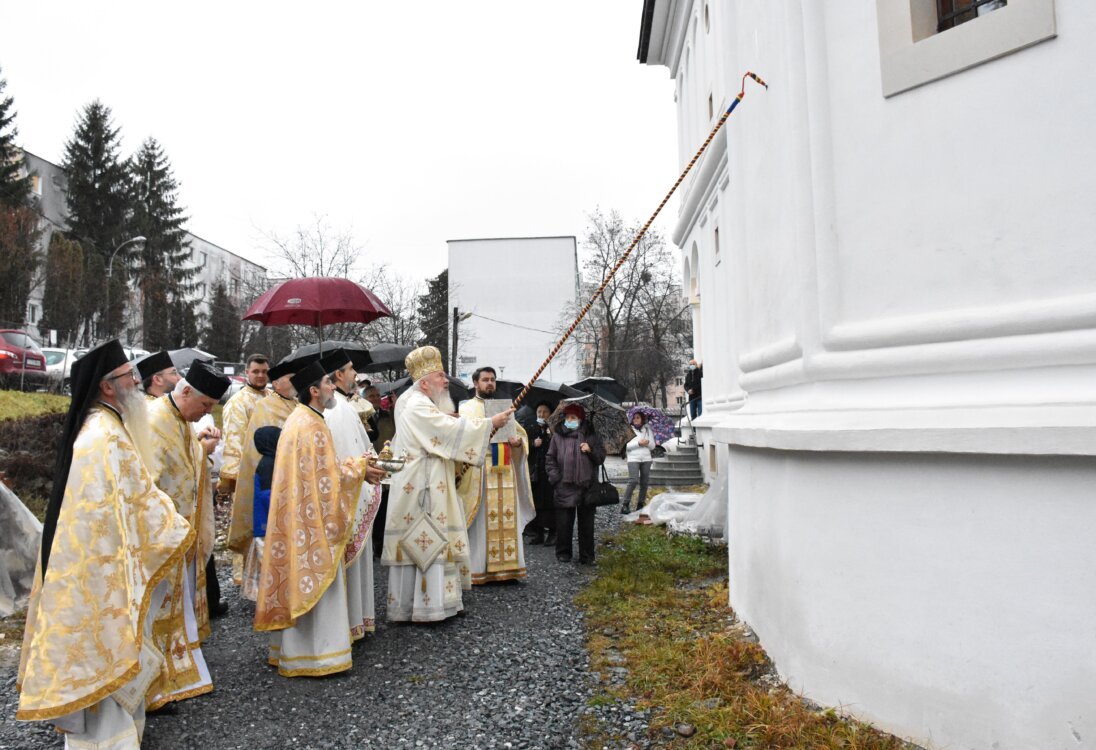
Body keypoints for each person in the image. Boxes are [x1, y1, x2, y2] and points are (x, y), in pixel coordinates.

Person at [16, 340, 192, 747]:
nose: (137, 380)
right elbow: (121, 507)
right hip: (99, 574)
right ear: (107, 387)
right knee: (105, 653)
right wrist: (172, 524)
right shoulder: (103, 437)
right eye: (130, 375)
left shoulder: (111, 427)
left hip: (108, 565)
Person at [254, 360, 385, 677]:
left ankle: (297, 652)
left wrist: (355, 465)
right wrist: (359, 469)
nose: (332, 389)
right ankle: (320, 655)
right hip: (311, 521)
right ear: (314, 390)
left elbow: (322, 471)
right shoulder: (310, 425)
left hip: (301, 517)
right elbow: (327, 477)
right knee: (321, 583)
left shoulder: (302, 419)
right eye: (328, 383)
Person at [382, 346, 513, 622]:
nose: (446, 381)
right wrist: (491, 423)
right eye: (441, 376)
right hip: (423, 486)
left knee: (426, 539)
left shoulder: (413, 400)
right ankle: (427, 607)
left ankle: (424, 602)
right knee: (427, 538)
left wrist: (448, 419)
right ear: (425, 381)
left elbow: (437, 426)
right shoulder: (417, 403)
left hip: (423, 479)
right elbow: (443, 432)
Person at [144, 360, 230, 710]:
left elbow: (187, 459)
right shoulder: (153, 423)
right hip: (160, 540)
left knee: (177, 609)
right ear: (186, 392)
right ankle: (155, 685)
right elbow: (146, 485)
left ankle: (176, 674)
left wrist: (202, 451)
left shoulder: (180, 420)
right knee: (157, 611)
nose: (207, 414)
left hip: (182, 537)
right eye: (206, 406)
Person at [320, 349, 384, 640]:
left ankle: (352, 622)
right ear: (337, 375)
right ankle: (348, 623)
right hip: (346, 495)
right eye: (349, 369)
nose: (355, 375)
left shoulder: (341, 406)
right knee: (348, 565)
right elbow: (345, 456)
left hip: (349, 489)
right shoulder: (338, 410)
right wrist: (366, 470)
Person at [457, 366, 535, 585]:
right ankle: (478, 569)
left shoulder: (504, 408)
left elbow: (520, 435)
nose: (490, 383)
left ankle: (508, 569)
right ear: (475, 383)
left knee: (505, 518)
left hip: (504, 473)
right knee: (481, 523)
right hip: (480, 474)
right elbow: (461, 438)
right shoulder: (467, 409)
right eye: (485, 380)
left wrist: (518, 443)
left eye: (493, 380)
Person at [227, 358, 298, 559]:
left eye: (263, 371)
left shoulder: (295, 403)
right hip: (269, 477)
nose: (295, 381)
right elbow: (252, 446)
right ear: (276, 383)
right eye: (290, 378)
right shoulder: (265, 407)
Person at [218, 353, 269, 586]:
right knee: (248, 525)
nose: (260, 376)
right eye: (256, 371)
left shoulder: (271, 398)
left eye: (264, 371)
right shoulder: (238, 403)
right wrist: (237, 477)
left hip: (270, 473)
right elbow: (234, 442)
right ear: (247, 372)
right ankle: (247, 577)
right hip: (249, 475)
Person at [546, 403, 606, 565]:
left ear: (581, 419)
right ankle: (564, 552)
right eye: (567, 417)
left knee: (586, 524)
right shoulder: (557, 436)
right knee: (564, 522)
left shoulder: (592, 436)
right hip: (564, 485)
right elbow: (550, 458)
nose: (569, 420)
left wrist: (590, 450)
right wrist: (556, 478)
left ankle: (586, 555)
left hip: (587, 486)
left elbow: (600, 458)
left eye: (573, 417)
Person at [241, 426, 281, 601]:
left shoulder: (268, 461)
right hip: (266, 523)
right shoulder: (268, 464)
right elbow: (267, 495)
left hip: (264, 521)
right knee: (268, 559)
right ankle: (268, 596)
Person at [363, 384, 396, 557]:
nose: (375, 399)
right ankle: (371, 543)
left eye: (377, 396)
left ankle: (381, 544)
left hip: (386, 464)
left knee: (384, 508)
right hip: (369, 466)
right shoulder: (362, 417)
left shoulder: (388, 416)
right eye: (371, 396)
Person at [523, 401, 556, 545]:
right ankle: (538, 533)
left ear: (550, 414)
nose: (541, 414)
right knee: (536, 503)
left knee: (550, 503)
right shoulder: (531, 428)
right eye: (539, 412)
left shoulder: (555, 429)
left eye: (545, 412)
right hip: (535, 472)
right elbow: (523, 445)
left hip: (550, 472)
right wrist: (532, 443)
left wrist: (550, 435)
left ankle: (553, 532)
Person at [621, 411, 655, 514]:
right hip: (633, 459)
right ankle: (625, 505)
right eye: (634, 418)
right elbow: (626, 447)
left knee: (644, 483)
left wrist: (647, 442)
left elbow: (653, 446)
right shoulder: (628, 430)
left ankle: (640, 505)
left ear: (642, 419)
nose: (635, 419)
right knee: (633, 481)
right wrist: (638, 444)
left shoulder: (647, 430)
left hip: (646, 459)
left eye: (638, 418)